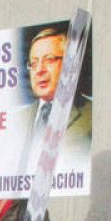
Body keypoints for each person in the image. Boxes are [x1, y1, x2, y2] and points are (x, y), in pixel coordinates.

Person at [16, 24, 90, 173]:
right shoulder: (16, 120)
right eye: (34, 63)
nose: (40, 70)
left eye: (49, 60)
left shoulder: (91, 115)